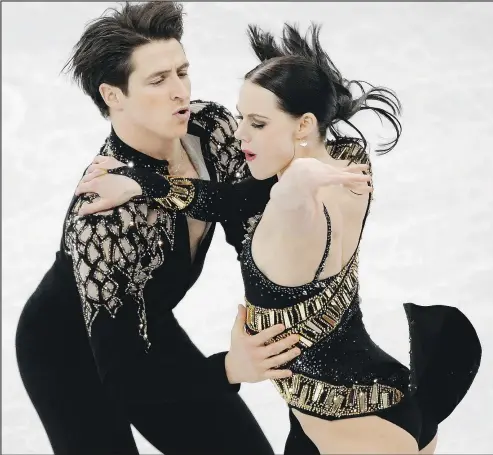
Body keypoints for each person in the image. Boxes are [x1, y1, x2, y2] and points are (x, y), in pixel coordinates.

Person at [77, 21, 483, 455]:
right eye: (240, 119)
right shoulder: (349, 162)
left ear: (303, 125)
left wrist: (298, 180)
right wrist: (146, 182)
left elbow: (263, 200)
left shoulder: (288, 214)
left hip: (345, 430)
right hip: (391, 396)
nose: (237, 134)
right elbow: (236, 199)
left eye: (256, 122)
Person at [14, 3, 306, 454]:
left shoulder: (210, 130)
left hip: (146, 327)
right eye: (158, 80)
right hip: (66, 353)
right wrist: (231, 367)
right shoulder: (104, 212)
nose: (180, 92)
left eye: (182, 72)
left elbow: (248, 214)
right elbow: (126, 379)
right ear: (113, 95)